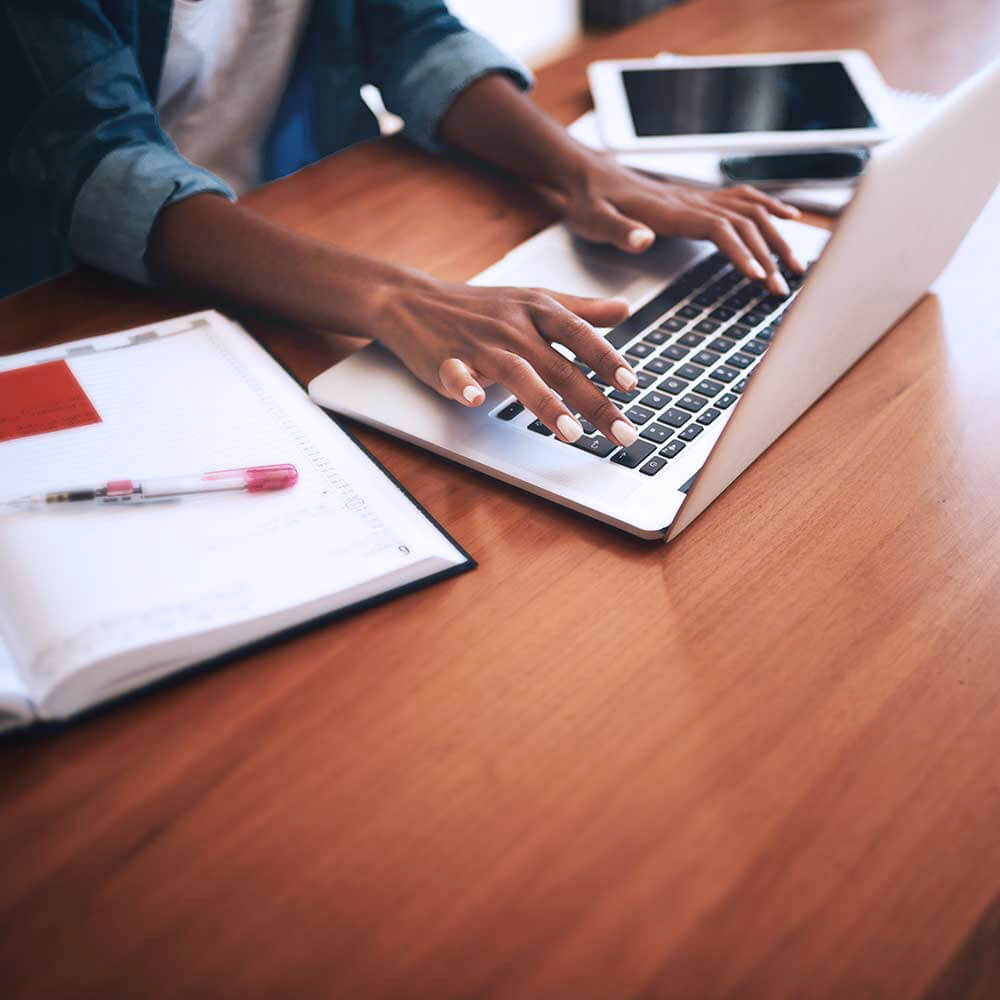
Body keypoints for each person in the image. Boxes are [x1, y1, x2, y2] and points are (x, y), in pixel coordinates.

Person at [2, 0, 804, 449]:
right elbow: (98, 167)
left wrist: (583, 172)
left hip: (300, 221)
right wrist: (397, 299)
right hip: (77, 292)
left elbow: (414, 37)